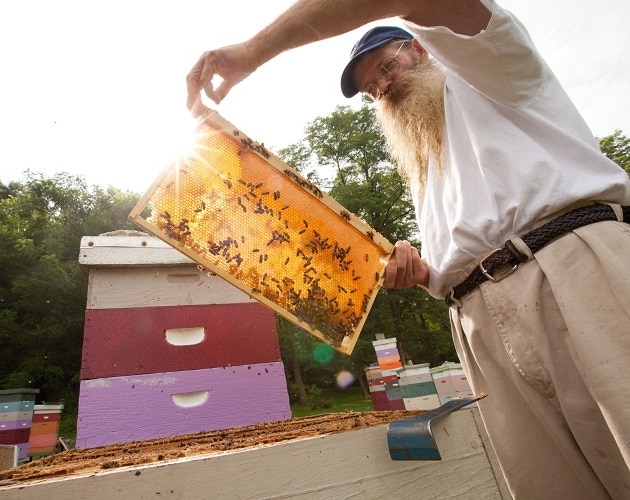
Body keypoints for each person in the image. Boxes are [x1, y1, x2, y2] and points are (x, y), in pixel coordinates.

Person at [187, 0, 630, 498]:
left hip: (570, 271)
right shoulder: (427, 166)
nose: (383, 86)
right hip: (476, 319)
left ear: (421, 46)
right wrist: (421, 269)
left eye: (386, 66)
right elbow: (470, 247)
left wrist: (250, 52)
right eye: (372, 87)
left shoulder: (494, 64)